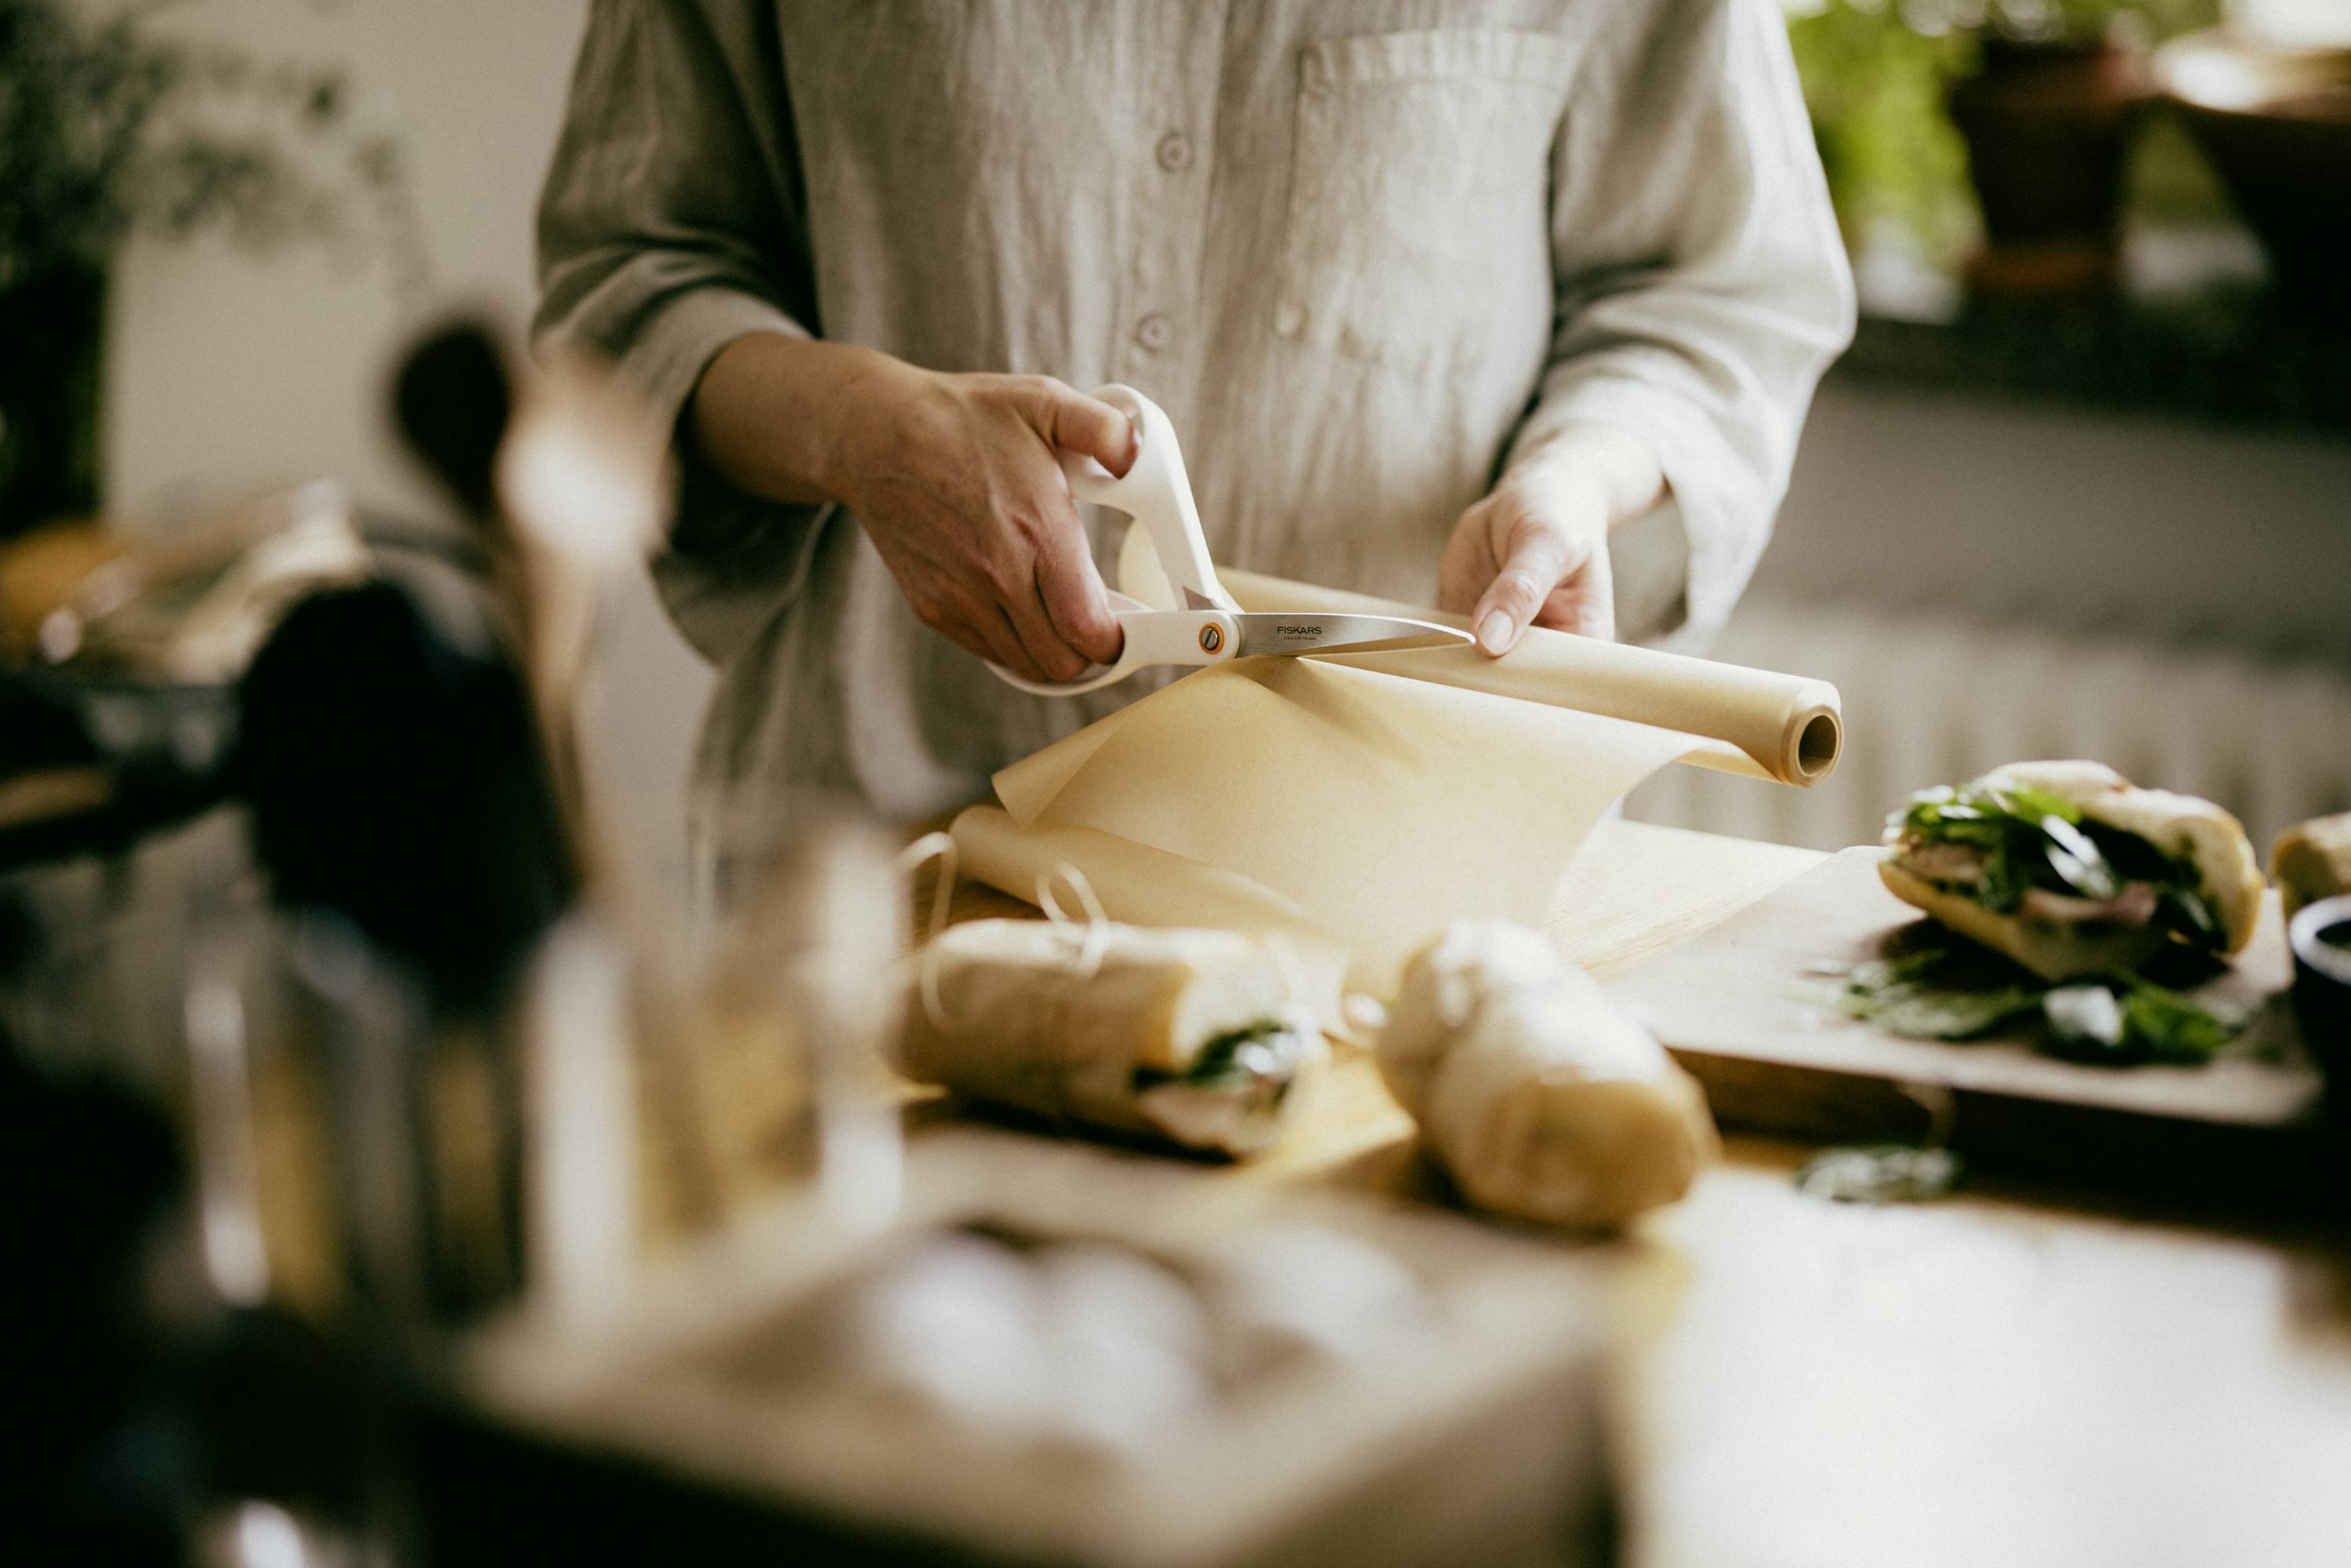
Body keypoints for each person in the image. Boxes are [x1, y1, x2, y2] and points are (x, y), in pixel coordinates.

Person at [535, 1, 1854, 831]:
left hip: (1404, 872)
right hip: (874, 880)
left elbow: (1717, 293)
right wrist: (860, 428)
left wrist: (1584, 473)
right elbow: (625, 288)